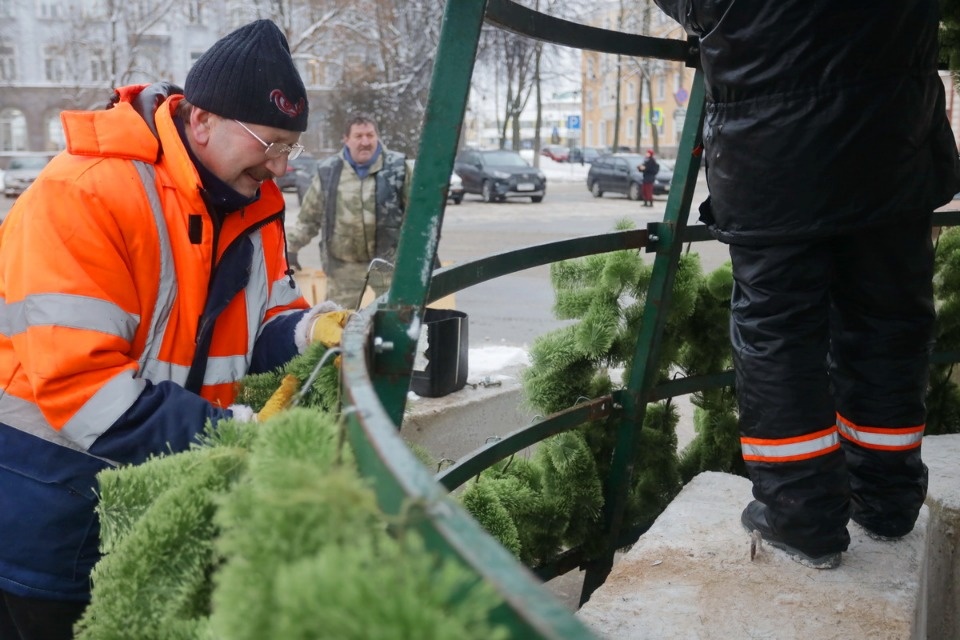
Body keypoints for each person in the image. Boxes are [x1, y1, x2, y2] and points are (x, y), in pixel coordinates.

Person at [0, 19, 349, 639]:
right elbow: (83, 385)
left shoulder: (254, 209)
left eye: (289, 148)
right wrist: (227, 436)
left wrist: (307, 332)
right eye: (268, 142)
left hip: (154, 500)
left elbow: (261, 319)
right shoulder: (84, 193)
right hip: (48, 505)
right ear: (203, 119)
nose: (278, 166)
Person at [653, 0, 960, 568]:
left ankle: (802, 517)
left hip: (771, 150)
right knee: (889, 318)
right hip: (893, 137)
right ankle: (887, 499)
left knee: (778, 330)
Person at [286, 114, 415, 308]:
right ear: (346, 140)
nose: (365, 142)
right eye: (359, 136)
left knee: (394, 324)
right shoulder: (328, 171)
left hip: (390, 266)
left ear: (377, 137)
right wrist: (291, 248)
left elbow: (415, 216)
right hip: (344, 268)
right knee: (336, 326)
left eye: (370, 135)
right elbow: (309, 218)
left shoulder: (398, 168)